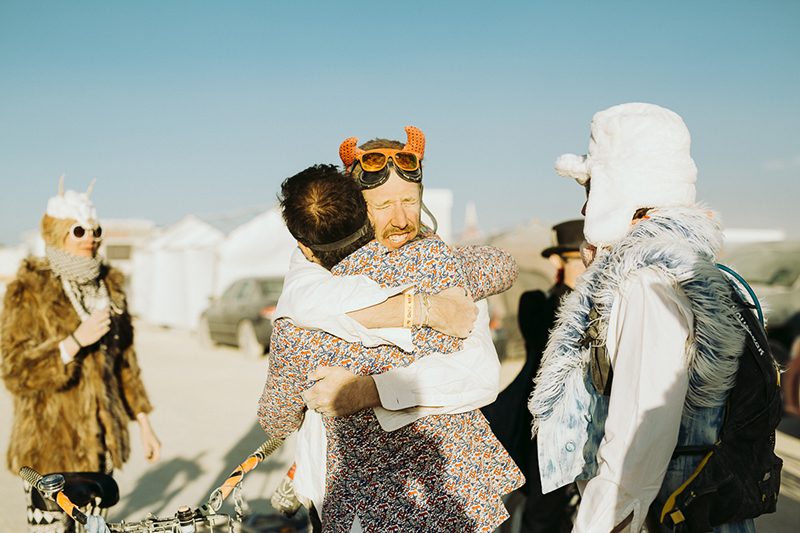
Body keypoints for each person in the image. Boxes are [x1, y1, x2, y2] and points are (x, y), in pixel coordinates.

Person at [259, 162, 524, 531]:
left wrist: (363, 390)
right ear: (361, 211)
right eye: (384, 205)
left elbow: (277, 418)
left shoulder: (295, 325)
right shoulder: (435, 264)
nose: (400, 218)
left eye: (409, 201)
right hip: (451, 492)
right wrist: (418, 307)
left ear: (305, 246)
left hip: (367, 506)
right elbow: (500, 265)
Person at [528, 103, 754, 532]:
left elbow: (640, 426)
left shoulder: (647, 282)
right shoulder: (680, 267)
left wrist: (601, 522)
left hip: (658, 514)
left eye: (592, 188)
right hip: (683, 506)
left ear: (622, 188)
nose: (584, 208)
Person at [1, 179, 161, 533]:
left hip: (100, 449)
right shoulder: (27, 290)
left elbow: (126, 365)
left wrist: (145, 425)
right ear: (57, 234)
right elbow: (13, 371)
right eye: (79, 230)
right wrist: (72, 343)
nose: (90, 236)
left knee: (96, 530)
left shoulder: (110, 287)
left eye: (95, 229)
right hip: (48, 448)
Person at [482, 220, 585, 532]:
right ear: (558, 261)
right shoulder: (539, 304)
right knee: (543, 514)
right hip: (549, 429)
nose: (588, 267)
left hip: (593, 423)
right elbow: (545, 342)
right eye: (579, 259)